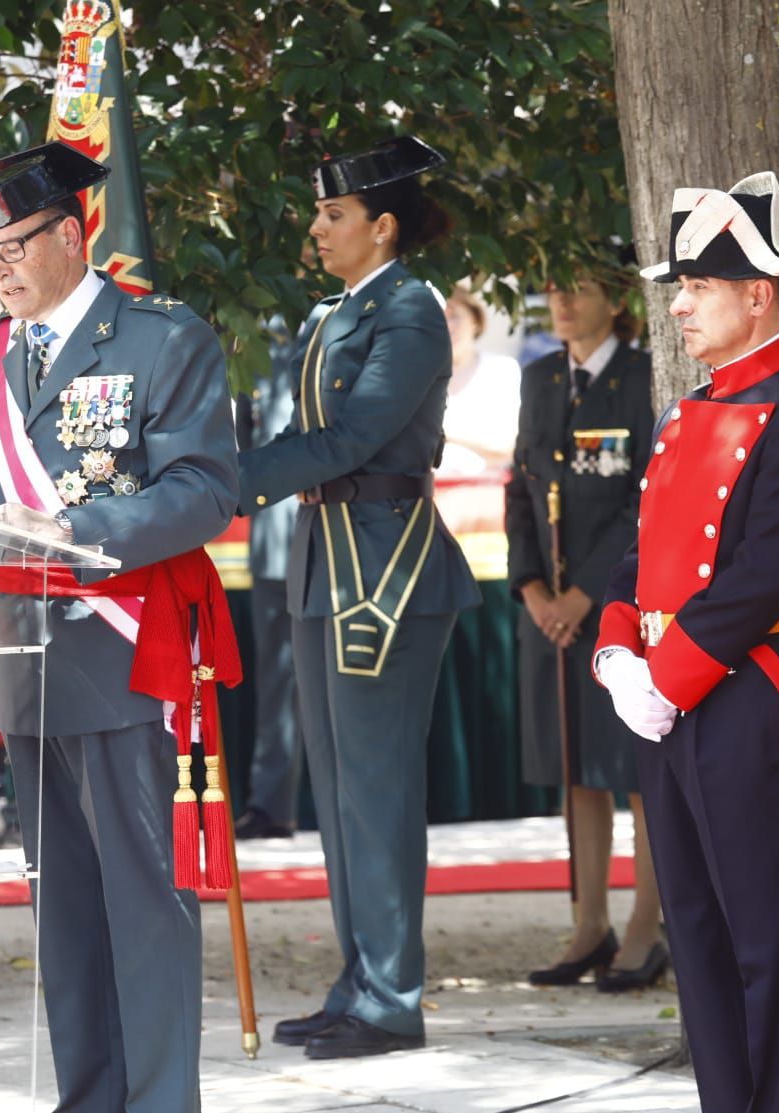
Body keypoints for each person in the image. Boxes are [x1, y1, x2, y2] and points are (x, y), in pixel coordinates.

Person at [0, 141, 238, 1113]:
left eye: (14, 246)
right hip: (27, 649)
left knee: (145, 891)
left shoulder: (161, 337)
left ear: (71, 233)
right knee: (62, 897)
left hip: (125, 637)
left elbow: (201, 487)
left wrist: (77, 528)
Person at [596, 171, 779, 1113]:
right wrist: (621, 652)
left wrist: (667, 674)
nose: (681, 301)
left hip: (754, 698)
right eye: (681, 283)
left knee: (772, 934)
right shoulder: (684, 413)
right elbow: (639, 552)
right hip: (675, 697)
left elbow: (760, 577)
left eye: (701, 282)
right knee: (700, 928)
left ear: (761, 293)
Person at [239, 136, 480, 1060]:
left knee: (376, 791)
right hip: (327, 562)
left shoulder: (410, 311)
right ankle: (361, 979)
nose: (316, 227)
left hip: (384, 568)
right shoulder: (340, 309)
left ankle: (392, 996)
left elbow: (352, 437)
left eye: (332, 214)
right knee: (337, 793)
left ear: (381, 226)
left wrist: (225, 480)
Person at [505, 271, 665, 992]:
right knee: (574, 769)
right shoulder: (540, 376)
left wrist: (585, 595)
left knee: (633, 771)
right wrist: (534, 588)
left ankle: (646, 928)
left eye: (578, 289)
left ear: (618, 300)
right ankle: (588, 924)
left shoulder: (640, 376)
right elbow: (522, 488)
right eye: (552, 289)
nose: (561, 303)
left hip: (618, 611)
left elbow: (646, 502)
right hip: (553, 614)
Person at [232, 332, 301, 841]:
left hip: (328, 531)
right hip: (273, 537)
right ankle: (271, 803)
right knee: (276, 685)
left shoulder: (337, 325)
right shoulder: (255, 340)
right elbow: (243, 446)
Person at [437, 285, 521, 475]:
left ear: (475, 319)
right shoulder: (417, 376)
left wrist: (443, 434)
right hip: (428, 495)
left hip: (486, 491)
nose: (448, 326)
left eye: (454, 316)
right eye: (439, 318)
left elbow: (507, 446)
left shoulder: (501, 370)